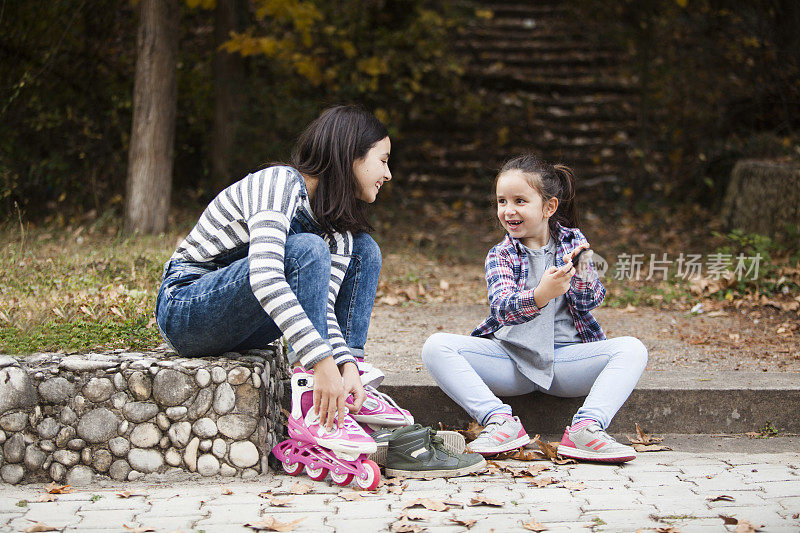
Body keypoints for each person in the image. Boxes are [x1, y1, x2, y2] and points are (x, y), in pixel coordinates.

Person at [155, 105, 393, 432]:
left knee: (364, 250)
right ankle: (310, 390)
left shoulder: (335, 228)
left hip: (245, 319)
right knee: (305, 249)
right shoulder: (278, 184)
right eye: (382, 160)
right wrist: (319, 361)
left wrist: (345, 364)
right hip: (187, 308)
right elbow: (265, 278)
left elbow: (319, 307)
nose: (388, 174)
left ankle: (349, 389)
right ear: (351, 156)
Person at [421, 154, 648, 463]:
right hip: (511, 361)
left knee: (632, 349)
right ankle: (500, 421)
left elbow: (589, 302)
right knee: (436, 346)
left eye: (519, 201)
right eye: (502, 201)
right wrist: (541, 294)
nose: (508, 210)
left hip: (565, 363)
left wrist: (581, 274)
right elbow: (502, 309)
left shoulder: (573, 243)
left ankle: (586, 429)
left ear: (548, 207)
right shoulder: (500, 254)